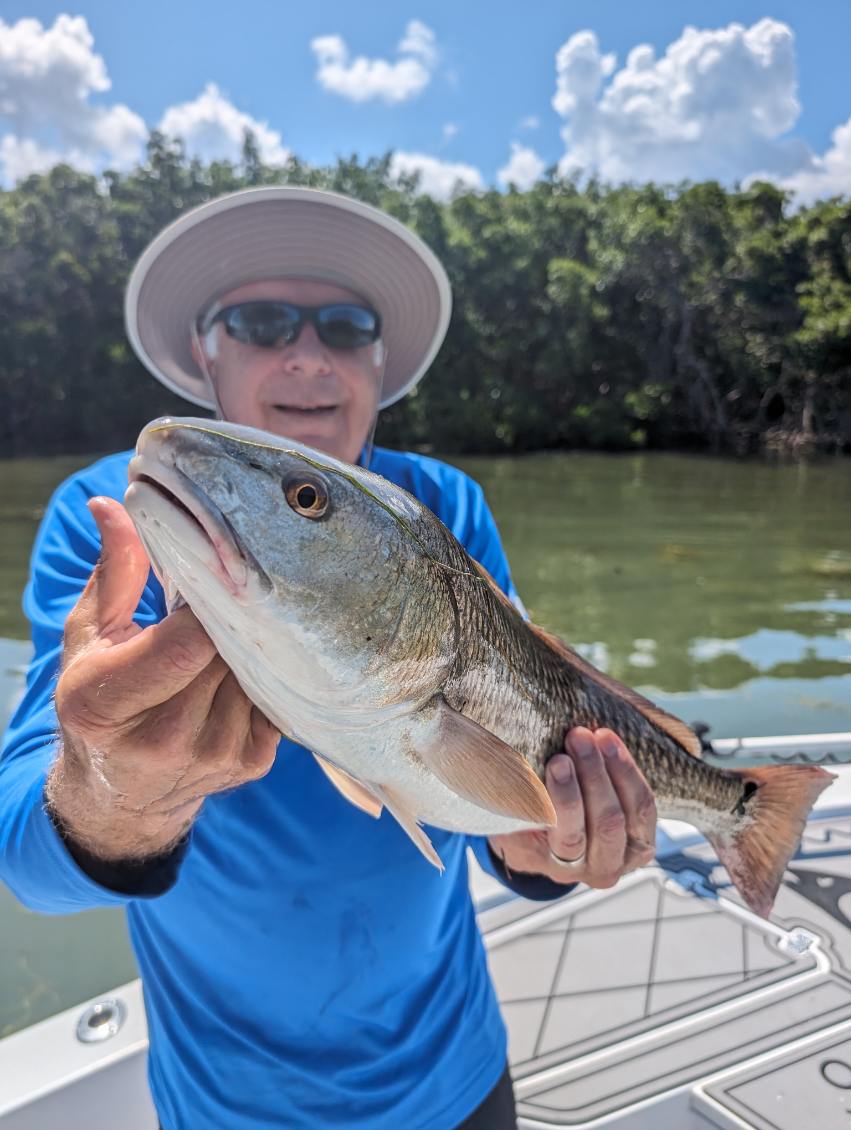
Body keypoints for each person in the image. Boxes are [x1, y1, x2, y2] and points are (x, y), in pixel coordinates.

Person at [0, 187, 657, 1130]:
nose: (307, 356)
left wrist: (546, 848)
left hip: (456, 1074)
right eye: (261, 322)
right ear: (205, 351)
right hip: (227, 1105)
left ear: (378, 365)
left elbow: (496, 788)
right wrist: (111, 793)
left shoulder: (444, 509)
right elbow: (25, 853)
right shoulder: (128, 523)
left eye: (345, 327)